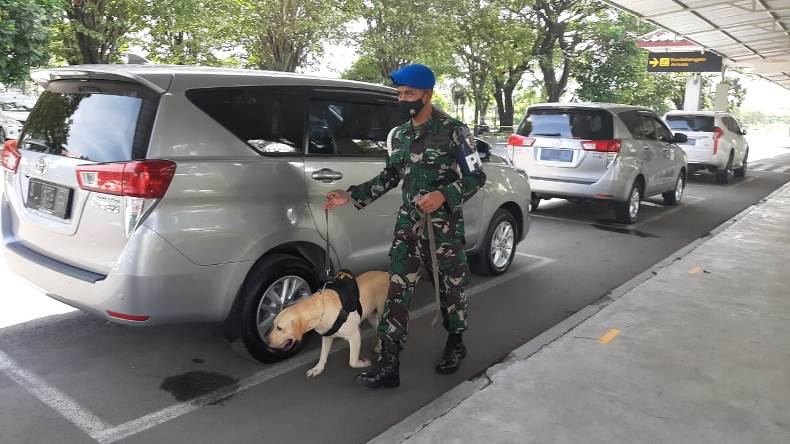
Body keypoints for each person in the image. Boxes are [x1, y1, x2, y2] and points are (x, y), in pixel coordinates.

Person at [324, 63, 486, 389]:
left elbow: (476, 176)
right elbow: (391, 176)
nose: (402, 99)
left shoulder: (454, 130)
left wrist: (444, 194)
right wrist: (351, 196)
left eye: (408, 93)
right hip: (409, 226)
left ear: (427, 94)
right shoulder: (399, 136)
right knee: (397, 291)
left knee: (450, 289)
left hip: (443, 229)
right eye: (400, 93)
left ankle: (456, 341)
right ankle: (390, 365)